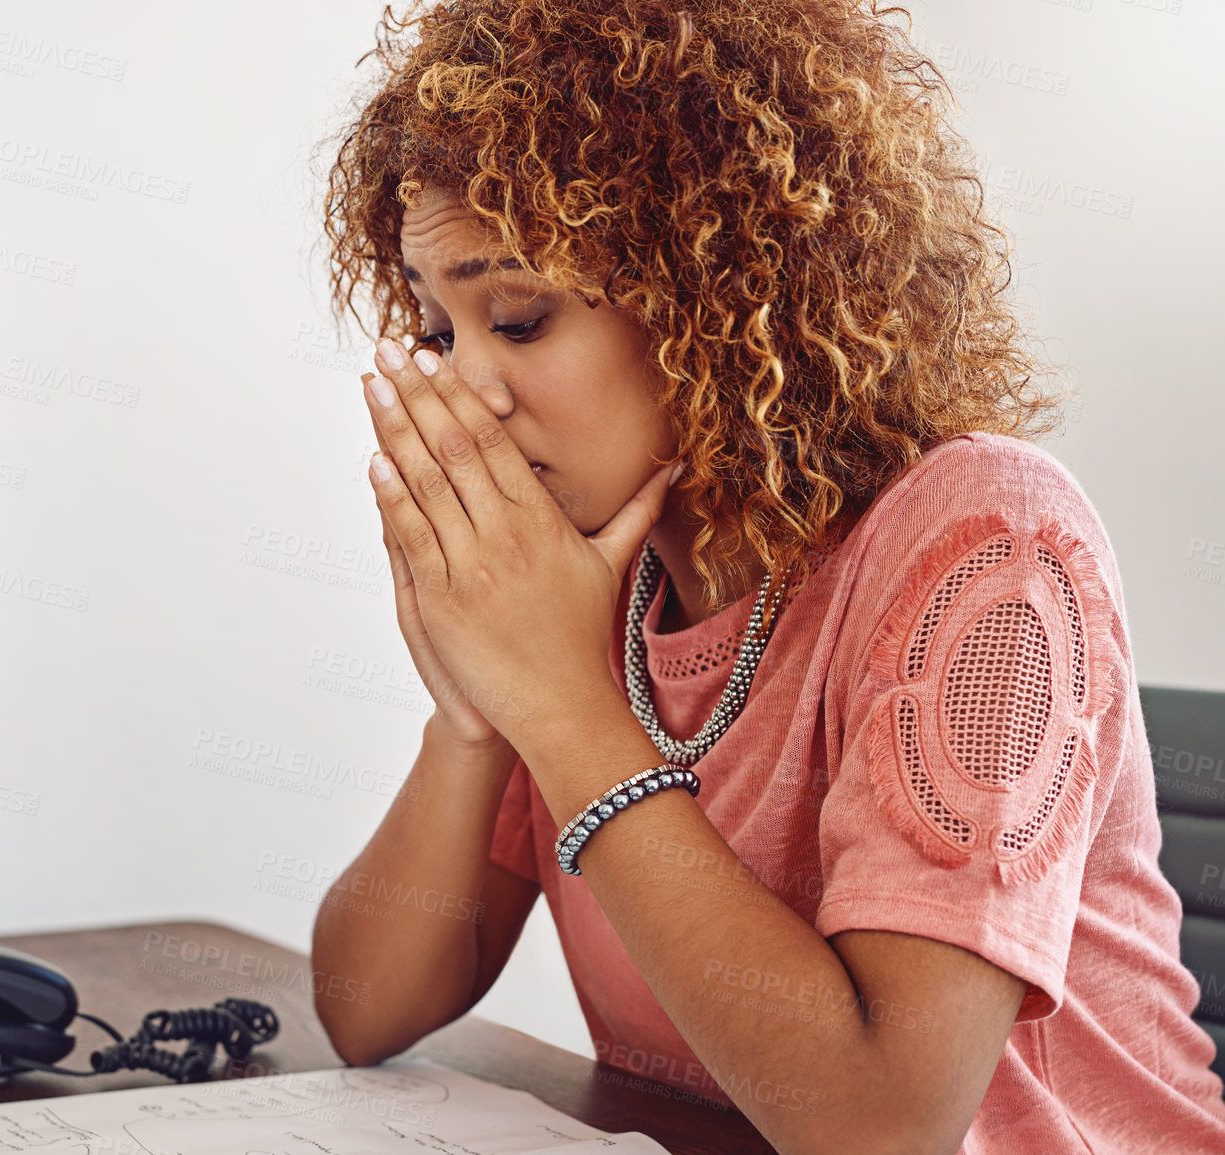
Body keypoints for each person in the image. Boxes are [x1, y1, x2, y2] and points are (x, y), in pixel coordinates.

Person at [307, 2, 1225, 1152]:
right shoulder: (595, 591)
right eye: (439, 333)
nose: (469, 392)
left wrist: (560, 701)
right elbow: (364, 1008)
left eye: (521, 318)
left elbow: (880, 1127)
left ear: (709, 281)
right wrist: (470, 710)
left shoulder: (992, 544)